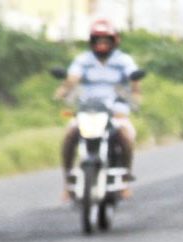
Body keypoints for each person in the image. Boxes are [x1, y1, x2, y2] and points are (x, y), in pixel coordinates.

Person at [54, 20, 141, 201]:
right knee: (70, 135)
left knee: (125, 136)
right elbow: (73, 78)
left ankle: (124, 180)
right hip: (88, 109)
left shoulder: (123, 60)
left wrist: (135, 94)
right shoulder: (83, 59)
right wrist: (64, 90)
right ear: (92, 42)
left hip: (116, 110)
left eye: (106, 40)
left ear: (114, 41)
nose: (102, 44)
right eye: (98, 40)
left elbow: (134, 80)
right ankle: (68, 183)